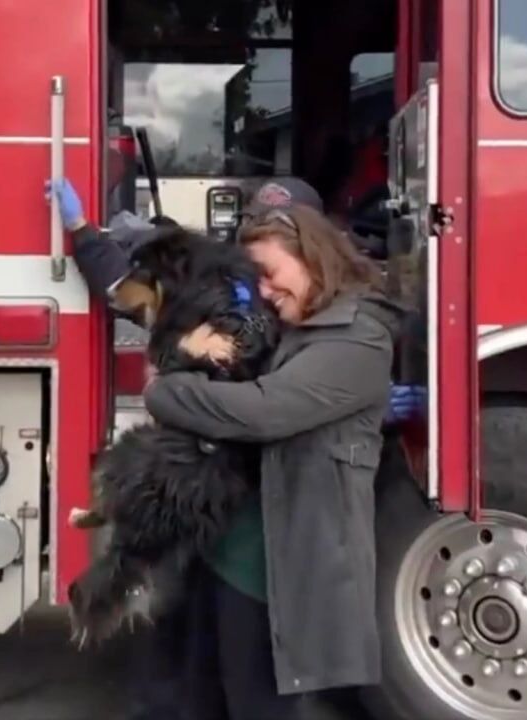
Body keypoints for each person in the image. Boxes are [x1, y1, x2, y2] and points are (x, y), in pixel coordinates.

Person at [142, 204, 406, 719]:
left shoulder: (358, 338)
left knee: (257, 701)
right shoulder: (293, 326)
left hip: (279, 573)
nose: (262, 290)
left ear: (313, 257)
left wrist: (164, 391)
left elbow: (262, 411)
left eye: (269, 272)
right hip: (232, 555)